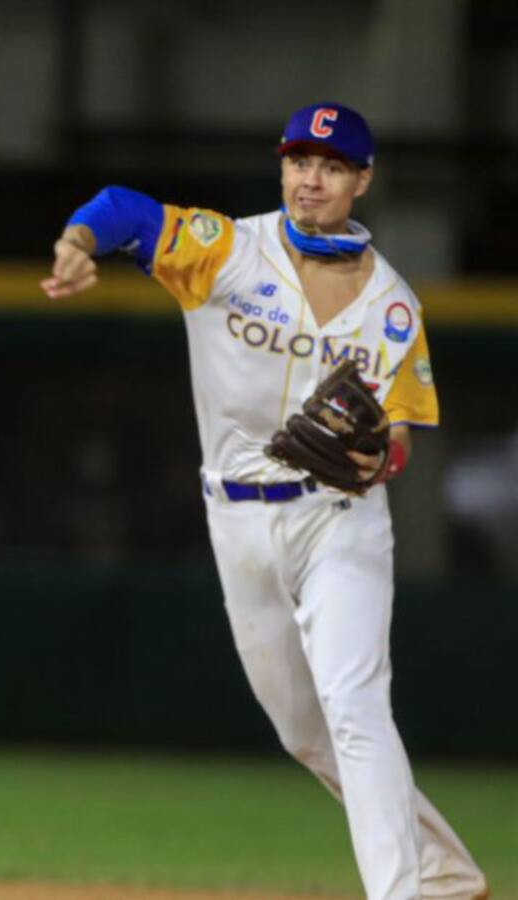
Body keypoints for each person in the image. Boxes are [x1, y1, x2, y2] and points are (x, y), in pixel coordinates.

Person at [42, 104, 486, 900]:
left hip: (337, 520)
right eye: (296, 160)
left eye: (330, 165)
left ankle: (405, 893)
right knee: (305, 732)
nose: (309, 177)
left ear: (362, 180)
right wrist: (77, 245)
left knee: (354, 706)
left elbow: (402, 443)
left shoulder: (393, 307)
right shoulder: (225, 251)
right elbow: (120, 209)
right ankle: (448, 875)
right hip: (237, 519)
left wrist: (376, 454)